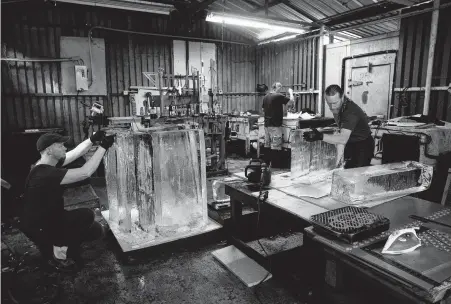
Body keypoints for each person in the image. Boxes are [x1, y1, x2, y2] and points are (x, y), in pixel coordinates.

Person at [21, 131, 115, 272]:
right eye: (60, 146)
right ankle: (58, 255)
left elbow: (76, 152)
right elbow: (85, 172)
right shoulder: (46, 174)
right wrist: (104, 146)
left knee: (95, 231)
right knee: (87, 215)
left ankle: (63, 242)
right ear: (49, 150)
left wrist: (92, 139)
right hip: (40, 227)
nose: (65, 148)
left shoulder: (43, 164)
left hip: (46, 218)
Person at [303, 84, 374, 169]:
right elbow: (342, 131)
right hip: (351, 142)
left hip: (363, 145)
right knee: (344, 171)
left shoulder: (350, 112)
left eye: (335, 103)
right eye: (329, 103)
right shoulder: (338, 106)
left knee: (356, 176)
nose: (332, 107)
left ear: (342, 97)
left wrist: (320, 136)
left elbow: (342, 139)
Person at [262, 82, 294, 165]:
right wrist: (291, 92)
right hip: (275, 125)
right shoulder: (278, 96)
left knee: (267, 144)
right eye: (280, 87)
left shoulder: (265, 97)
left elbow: (263, 109)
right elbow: (291, 102)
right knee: (276, 145)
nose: (281, 88)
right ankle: (276, 164)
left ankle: (266, 163)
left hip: (267, 124)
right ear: (276, 87)